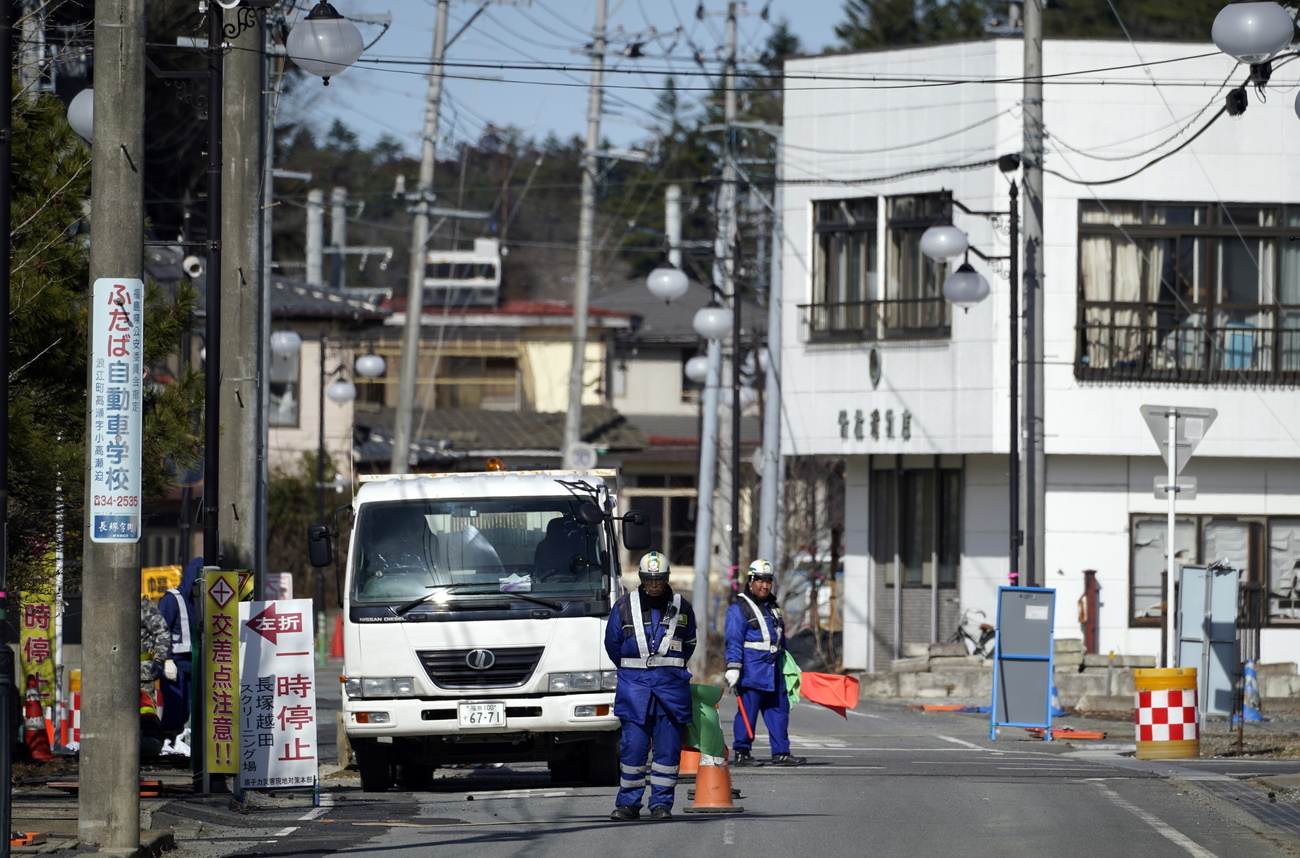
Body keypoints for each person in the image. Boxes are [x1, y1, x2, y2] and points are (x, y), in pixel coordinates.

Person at [604, 551, 697, 822]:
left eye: (658, 580)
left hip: (671, 689)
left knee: (667, 751)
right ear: (642, 580)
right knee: (633, 748)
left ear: (666, 579)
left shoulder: (683, 607)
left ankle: (661, 804)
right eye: (649, 580)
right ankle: (628, 804)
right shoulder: (623, 606)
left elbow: (689, 642)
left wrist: (671, 666)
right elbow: (613, 645)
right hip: (635, 690)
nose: (654, 585)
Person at [724, 559, 806, 767]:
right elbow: (733, 640)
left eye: (768, 580)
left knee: (779, 712)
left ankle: (781, 753)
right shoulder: (739, 608)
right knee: (747, 713)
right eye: (759, 580)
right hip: (751, 671)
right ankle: (742, 752)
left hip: (774, 670)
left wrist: (789, 664)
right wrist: (733, 667)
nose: (764, 585)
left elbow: (780, 640)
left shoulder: (773, 608)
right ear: (750, 581)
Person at [157, 557, 202, 740]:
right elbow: (161, 629)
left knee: (187, 707)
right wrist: (166, 659)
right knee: (174, 704)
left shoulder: (199, 599)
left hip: (193, 660)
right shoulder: (172, 599)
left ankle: (176, 742)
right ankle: (168, 741)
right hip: (174, 661)